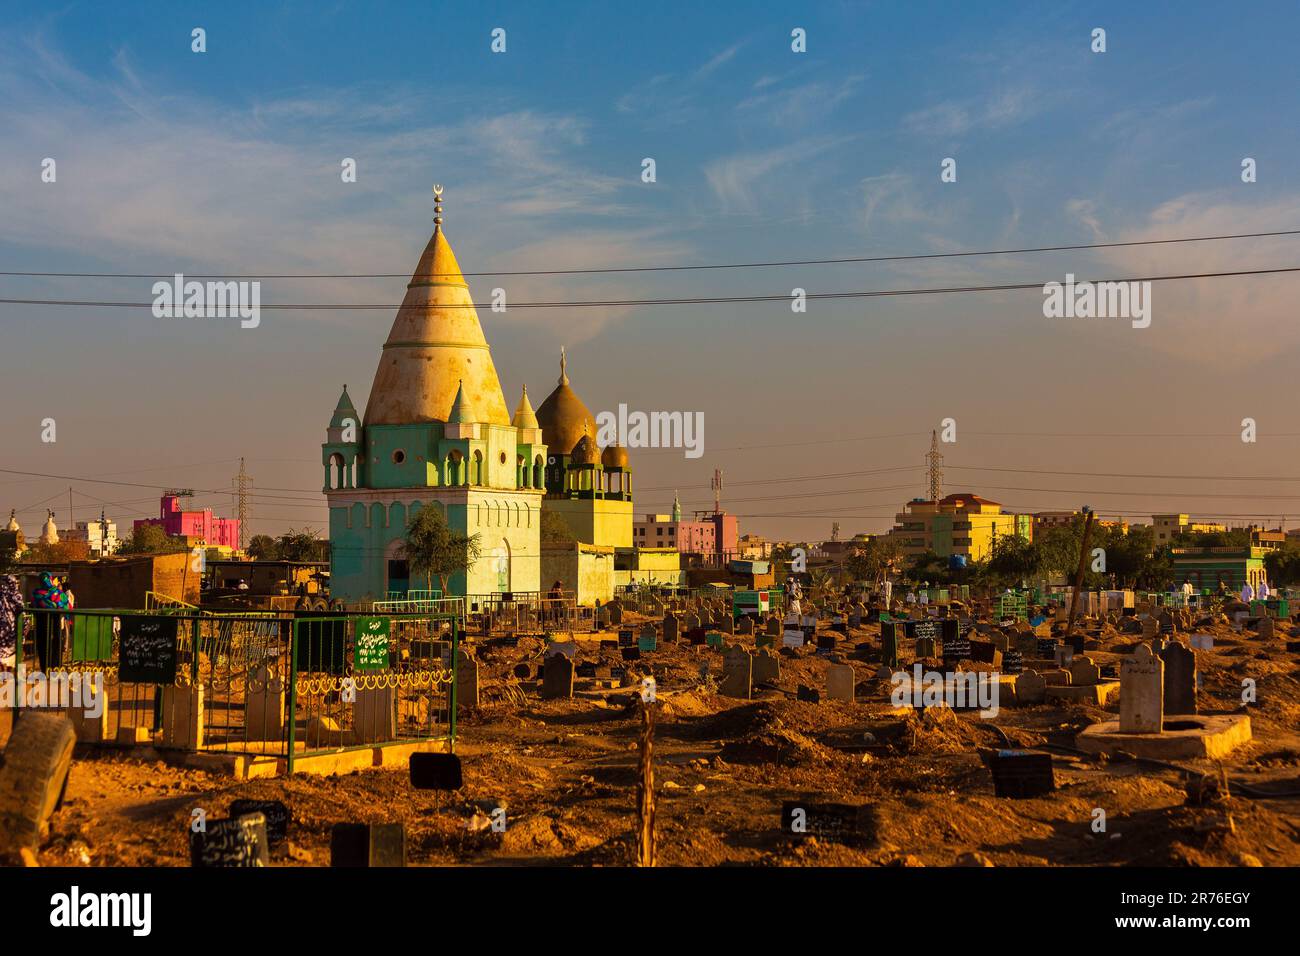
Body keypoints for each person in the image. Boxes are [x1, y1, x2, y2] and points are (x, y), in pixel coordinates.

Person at [31, 572, 69, 670]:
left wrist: (47, 605)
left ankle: (48, 669)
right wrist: (55, 606)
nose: (46, 581)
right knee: (50, 644)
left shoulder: (37, 593)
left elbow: (65, 606)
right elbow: (64, 606)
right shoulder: (58, 593)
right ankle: (52, 668)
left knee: (48, 644)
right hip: (50, 622)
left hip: (47, 622)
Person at [0, 575, 22, 668]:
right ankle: (8, 670)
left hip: (2, 624)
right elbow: (21, 607)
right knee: (11, 647)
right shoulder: (16, 595)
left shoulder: (2, 593)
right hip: (12, 624)